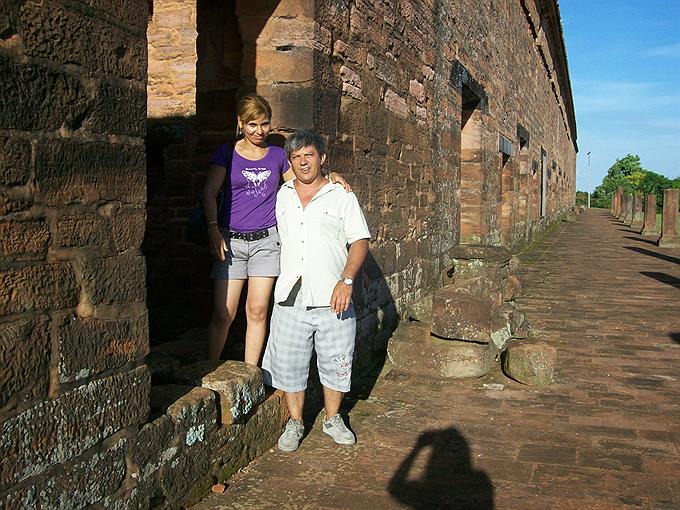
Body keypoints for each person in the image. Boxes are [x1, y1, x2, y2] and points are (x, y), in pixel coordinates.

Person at [202, 95, 349, 365]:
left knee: (257, 311)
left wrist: (330, 177)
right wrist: (212, 229)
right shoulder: (227, 153)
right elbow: (210, 192)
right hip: (230, 241)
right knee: (224, 313)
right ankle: (208, 369)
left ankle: (249, 373)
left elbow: (303, 181)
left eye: (265, 124)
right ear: (240, 123)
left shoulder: (277, 155)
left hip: (266, 243)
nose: (259, 131)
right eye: (252, 124)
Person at [261, 129, 370, 452]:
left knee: (337, 361)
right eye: (296, 157)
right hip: (290, 296)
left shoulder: (341, 195)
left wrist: (346, 280)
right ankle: (295, 422)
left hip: (333, 296)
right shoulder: (281, 195)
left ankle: (332, 418)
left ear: (322, 158)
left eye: (309, 155)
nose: (303, 162)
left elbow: (359, 241)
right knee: (290, 364)